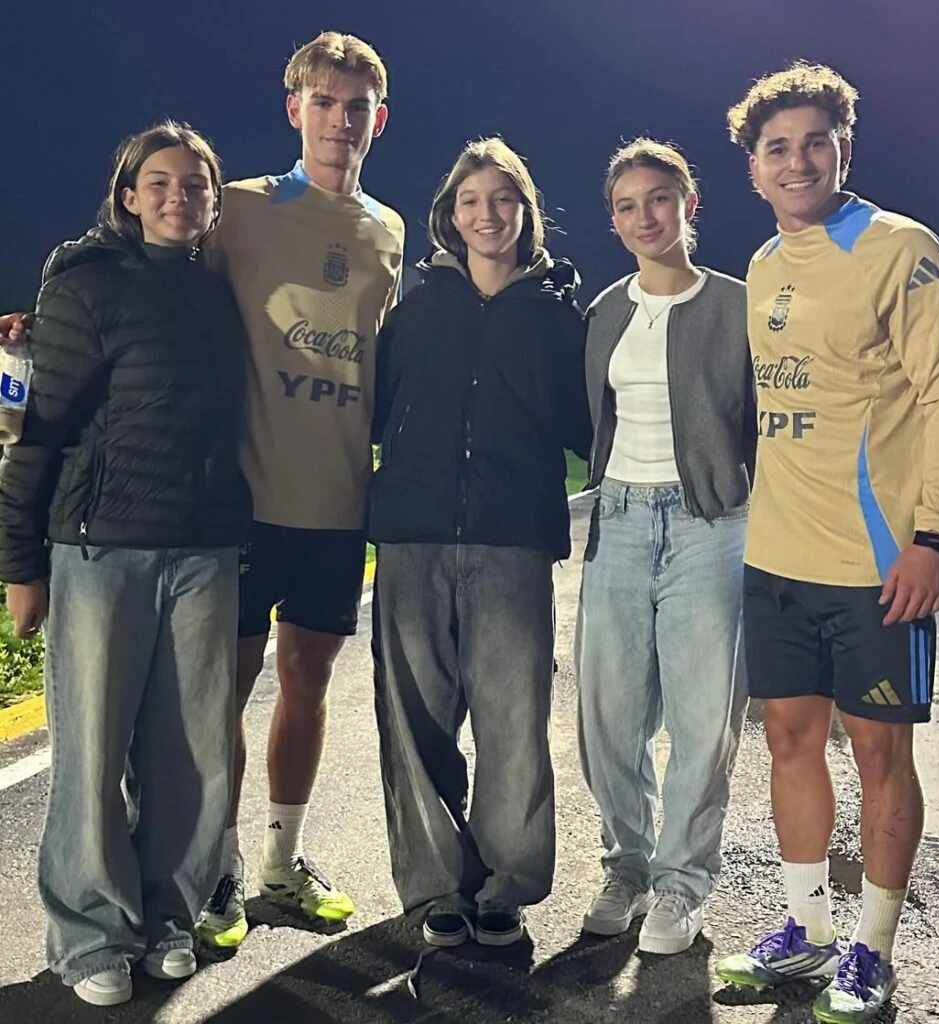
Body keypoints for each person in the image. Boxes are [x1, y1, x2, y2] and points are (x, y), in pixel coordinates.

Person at [0, 31, 406, 948]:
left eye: (356, 107)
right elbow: (148, 267)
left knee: (307, 681)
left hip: (336, 500)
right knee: (213, 700)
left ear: (376, 120)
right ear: (292, 106)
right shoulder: (242, 211)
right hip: (238, 500)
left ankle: (278, 863)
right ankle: (204, 875)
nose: (340, 121)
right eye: (324, 102)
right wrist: (52, 301)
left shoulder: (388, 228)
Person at [715, 62, 939, 1023]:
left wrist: (931, 536)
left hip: (875, 568)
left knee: (878, 759)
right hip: (776, 556)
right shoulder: (765, 265)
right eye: (775, 148)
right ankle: (805, 929)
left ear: (843, 149)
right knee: (788, 741)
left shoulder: (899, 248)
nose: (795, 162)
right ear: (752, 167)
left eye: (812, 143)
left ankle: (869, 948)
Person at [0, 122, 252, 1006]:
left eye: (195, 185)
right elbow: (36, 431)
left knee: (190, 753)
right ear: (128, 194)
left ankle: (168, 912)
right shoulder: (85, 284)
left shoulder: (222, 291)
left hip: (205, 547)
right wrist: (21, 563)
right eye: (161, 183)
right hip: (100, 547)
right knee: (93, 748)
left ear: (213, 200)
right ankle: (90, 938)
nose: (178, 197)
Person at [369, 137, 590, 948]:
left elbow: (592, 422)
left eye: (502, 199)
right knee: (414, 722)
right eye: (471, 201)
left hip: (513, 540)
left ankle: (508, 883)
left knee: (512, 721)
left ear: (526, 212)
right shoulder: (417, 307)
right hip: (410, 535)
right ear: (448, 215)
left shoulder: (560, 315)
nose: (486, 213)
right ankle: (434, 889)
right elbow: (361, 405)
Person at [576, 139, 754, 955]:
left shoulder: (736, 305)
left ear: (688, 204)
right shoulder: (604, 311)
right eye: (626, 205)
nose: (643, 216)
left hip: (709, 526)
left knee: (701, 721)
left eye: (658, 198)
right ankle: (628, 865)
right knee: (607, 718)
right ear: (613, 221)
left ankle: (682, 886)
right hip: (615, 520)